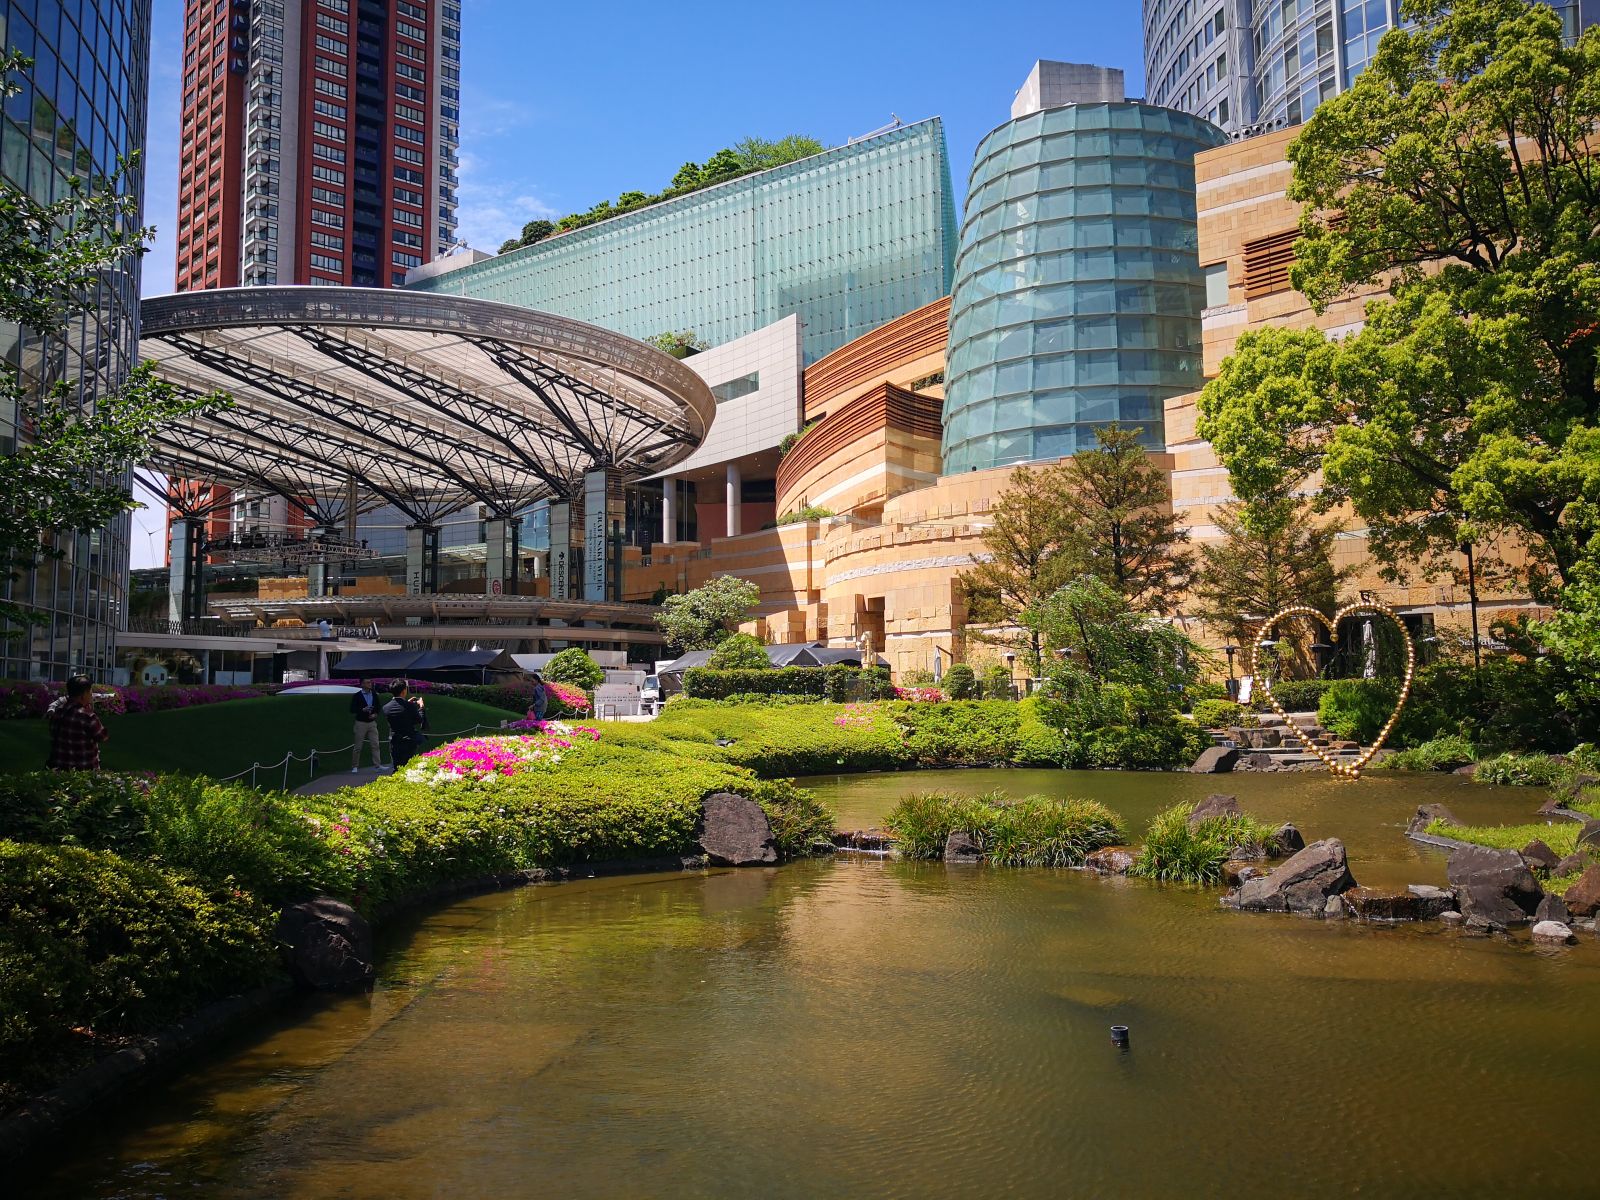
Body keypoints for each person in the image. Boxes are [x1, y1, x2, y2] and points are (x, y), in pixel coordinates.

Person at [46, 675, 109, 771]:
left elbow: (52, 731)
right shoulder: (87, 716)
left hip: (59, 770)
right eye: (90, 692)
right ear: (83, 695)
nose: (91, 695)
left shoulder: (58, 712)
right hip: (84, 772)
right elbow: (103, 736)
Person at [382, 678, 428, 768]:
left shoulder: (386, 707)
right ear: (404, 691)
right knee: (408, 768)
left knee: (397, 767)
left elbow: (399, 713)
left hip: (394, 741)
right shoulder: (409, 706)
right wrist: (421, 707)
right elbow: (419, 719)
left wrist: (406, 703)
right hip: (408, 742)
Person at [349, 680, 383, 772]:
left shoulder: (374, 694)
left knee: (375, 744)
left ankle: (377, 765)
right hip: (361, 723)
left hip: (372, 722)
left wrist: (375, 714)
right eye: (367, 682)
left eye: (370, 682)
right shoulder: (357, 696)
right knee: (358, 746)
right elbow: (352, 709)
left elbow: (378, 707)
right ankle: (355, 766)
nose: (370, 684)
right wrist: (362, 709)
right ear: (362, 684)